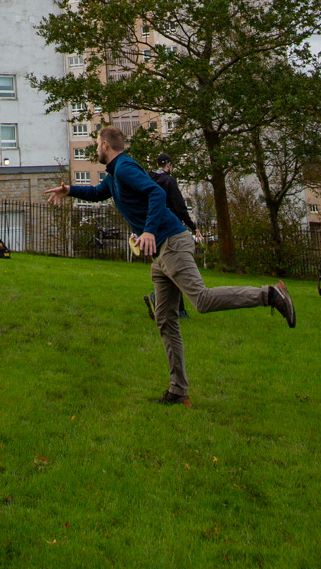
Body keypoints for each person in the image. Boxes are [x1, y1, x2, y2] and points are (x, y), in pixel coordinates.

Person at [48, 124, 295, 406]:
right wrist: (70, 190)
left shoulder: (126, 169)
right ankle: (178, 391)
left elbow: (157, 193)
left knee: (201, 300)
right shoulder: (116, 174)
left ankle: (270, 295)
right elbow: (98, 192)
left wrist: (149, 230)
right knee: (165, 319)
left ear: (105, 145)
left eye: (96, 144)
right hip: (161, 255)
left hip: (171, 243)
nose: (95, 149)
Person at [143, 154, 196, 323]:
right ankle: (165, 303)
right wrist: (193, 227)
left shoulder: (148, 178)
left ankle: (168, 305)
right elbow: (180, 207)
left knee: (165, 268)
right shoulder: (169, 182)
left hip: (153, 230)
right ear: (169, 166)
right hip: (171, 229)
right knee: (176, 269)